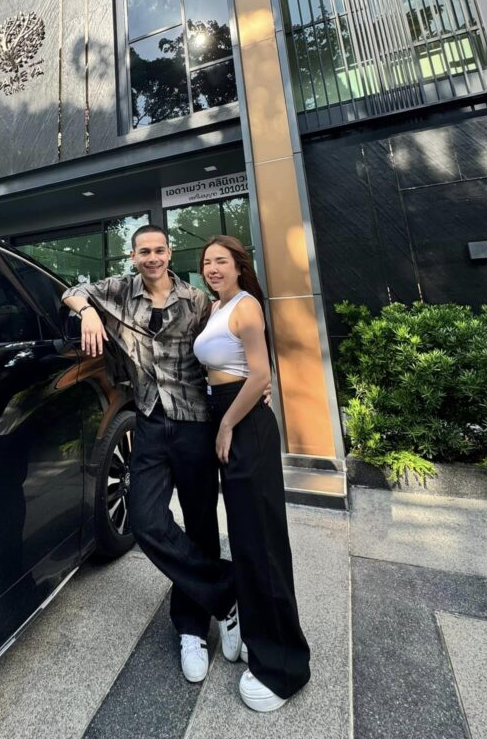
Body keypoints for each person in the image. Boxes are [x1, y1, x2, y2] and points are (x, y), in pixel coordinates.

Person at [61, 225, 243, 683]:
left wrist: (252, 385)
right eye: (144, 251)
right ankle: (227, 592)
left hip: (194, 420)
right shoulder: (119, 291)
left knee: (201, 523)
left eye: (159, 250)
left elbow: (223, 344)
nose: (153, 258)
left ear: (169, 253)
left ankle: (192, 627)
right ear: (133, 256)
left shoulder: (196, 300)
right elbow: (70, 291)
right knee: (145, 520)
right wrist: (88, 313)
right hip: (148, 420)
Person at [194, 234, 311, 712]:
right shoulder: (215, 308)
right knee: (245, 540)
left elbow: (260, 375)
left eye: (221, 260)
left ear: (240, 265)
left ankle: (283, 667)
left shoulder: (246, 307)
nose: (212, 268)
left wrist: (226, 423)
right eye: (206, 262)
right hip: (228, 414)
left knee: (262, 542)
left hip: (245, 426)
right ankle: (260, 634)